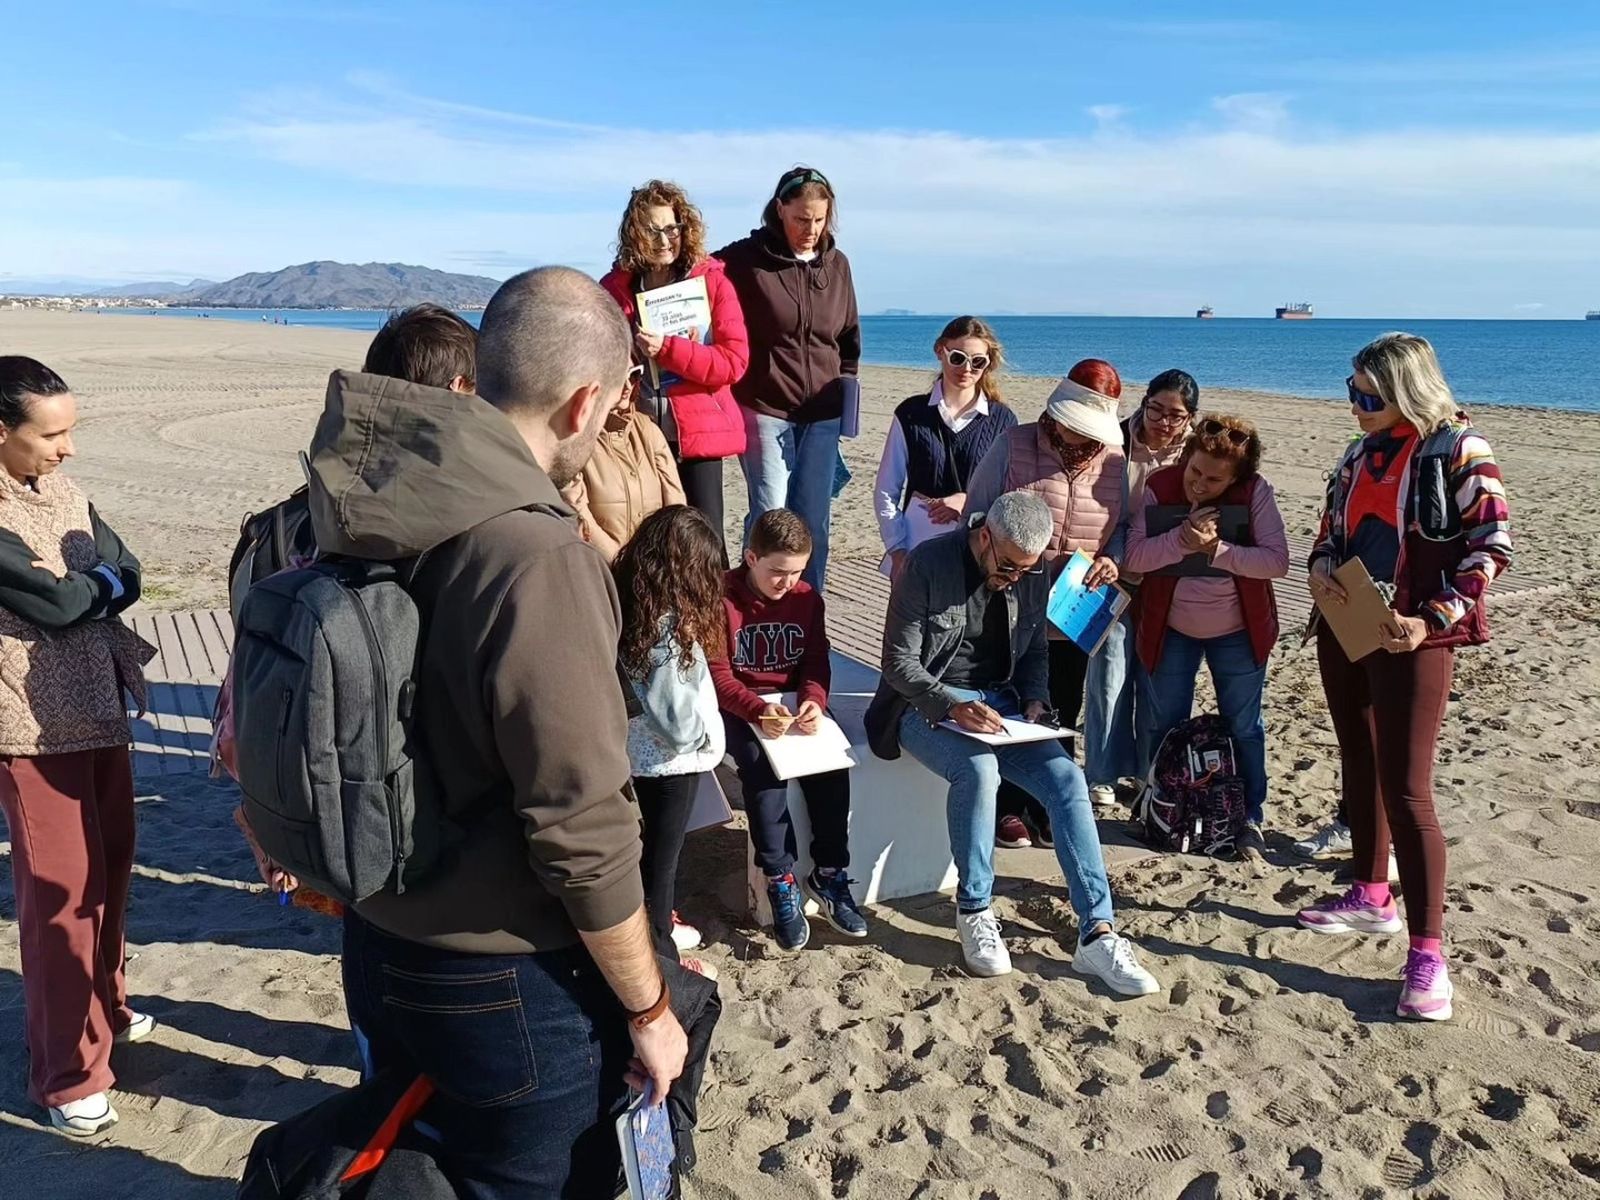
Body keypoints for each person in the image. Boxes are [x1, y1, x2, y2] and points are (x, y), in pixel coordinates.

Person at [313, 267, 688, 1195]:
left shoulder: (368, 495)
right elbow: (582, 825)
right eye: (608, 418)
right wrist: (647, 1005)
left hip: (375, 930)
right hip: (505, 973)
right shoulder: (535, 552)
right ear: (585, 402)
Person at [1296, 333, 1512, 1023]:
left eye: (1368, 395)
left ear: (1406, 392)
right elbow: (1332, 530)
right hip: (1347, 624)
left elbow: (1493, 545)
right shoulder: (1357, 454)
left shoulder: (1459, 450)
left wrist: (1433, 617)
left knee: (1410, 790)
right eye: (1350, 391)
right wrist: (1323, 564)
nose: (1354, 405)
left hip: (1415, 635)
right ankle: (1369, 894)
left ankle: (1427, 959)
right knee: (1357, 761)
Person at [864, 490, 1160, 992]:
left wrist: (1036, 700)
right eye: (1009, 567)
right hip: (922, 702)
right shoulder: (927, 563)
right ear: (984, 537)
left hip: (1000, 702)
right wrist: (952, 704)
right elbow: (898, 663)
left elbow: (1035, 650)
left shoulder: (1033, 569)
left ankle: (1098, 933)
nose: (1016, 577)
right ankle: (975, 909)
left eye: (1026, 569)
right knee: (978, 770)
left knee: (1068, 779)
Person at [0, 356, 153, 1136]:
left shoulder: (64, 490)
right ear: (1, 432)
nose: (68, 450)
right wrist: (98, 585)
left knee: (112, 872)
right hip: (28, 730)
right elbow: (59, 603)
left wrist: (100, 584)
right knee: (60, 899)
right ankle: (67, 1078)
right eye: (51, 434)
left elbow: (129, 567)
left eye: (72, 431)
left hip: (97, 708)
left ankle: (110, 1008)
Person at [965, 359, 1128, 850]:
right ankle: (1009, 808)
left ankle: (1048, 806)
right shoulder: (1015, 443)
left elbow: (1124, 526)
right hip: (1010, 600)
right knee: (1012, 702)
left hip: (1076, 604)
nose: (1079, 439)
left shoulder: (1117, 461)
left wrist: (1112, 560)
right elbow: (976, 511)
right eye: (1072, 426)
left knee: (1061, 706)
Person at [1124, 415, 1289, 856]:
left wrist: (1217, 551)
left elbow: (1276, 562)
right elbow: (1135, 557)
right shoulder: (1162, 485)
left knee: (1245, 726)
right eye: (1195, 471)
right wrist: (1181, 539)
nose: (1199, 484)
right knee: (1164, 722)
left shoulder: (1256, 492)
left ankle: (1250, 816)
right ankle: (1160, 806)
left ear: (1237, 477)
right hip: (1172, 627)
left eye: (1214, 480)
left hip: (1237, 630)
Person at [708, 508, 867, 951]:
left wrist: (815, 700)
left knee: (833, 768)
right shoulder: (720, 597)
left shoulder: (807, 598)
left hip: (792, 704)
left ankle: (830, 872)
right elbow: (718, 674)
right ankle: (780, 878)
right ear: (750, 557)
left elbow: (817, 659)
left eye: (796, 572)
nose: (787, 583)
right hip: (742, 706)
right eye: (778, 572)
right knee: (761, 769)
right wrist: (757, 710)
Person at [717, 166, 861, 592]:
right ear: (779, 209)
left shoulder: (838, 265)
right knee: (769, 514)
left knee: (813, 519)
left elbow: (849, 337)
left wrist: (846, 385)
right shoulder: (744, 260)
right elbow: (693, 283)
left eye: (819, 218)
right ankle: (750, 611)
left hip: (823, 415)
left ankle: (808, 613)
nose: (811, 229)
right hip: (764, 408)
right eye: (801, 218)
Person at [600, 180, 750, 542]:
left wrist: (667, 349)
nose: (664, 240)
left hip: (698, 438)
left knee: (705, 544)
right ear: (636, 234)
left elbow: (733, 362)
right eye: (652, 231)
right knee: (647, 542)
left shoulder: (712, 283)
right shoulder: (614, 289)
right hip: (636, 433)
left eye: (672, 228)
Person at [615, 505, 727, 971]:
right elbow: (677, 722)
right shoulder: (661, 628)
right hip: (670, 761)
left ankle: (658, 930)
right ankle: (659, 951)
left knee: (650, 853)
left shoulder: (628, 600)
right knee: (661, 861)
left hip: (643, 754)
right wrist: (705, 735)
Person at [1094, 370, 1200, 797]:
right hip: (1112, 573)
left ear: (1190, 417)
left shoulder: (1196, 452)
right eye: (1156, 409)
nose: (1163, 421)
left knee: (1158, 682)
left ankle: (1148, 773)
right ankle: (1101, 773)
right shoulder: (1115, 441)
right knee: (1108, 678)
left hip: (1168, 580)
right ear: (1144, 402)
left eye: (1175, 415)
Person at [873, 316, 1017, 582]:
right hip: (916, 549)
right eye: (958, 358)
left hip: (976, 553)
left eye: (978, 362)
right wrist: (897, 550)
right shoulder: (910, 414)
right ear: (941, 351)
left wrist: (968, 501)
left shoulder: (1003, 421)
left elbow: (1010, 492)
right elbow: (886, 489)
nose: (967, 368)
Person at [561, 370, 686, 561]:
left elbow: (675, 506)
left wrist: (663, 563)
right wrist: (623, 567)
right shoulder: (573, 440)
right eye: (619, 376)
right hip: (602, 571)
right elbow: (578, 514)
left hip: (655, 573)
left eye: (634, 376)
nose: (628, 386)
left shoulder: (649, 431)